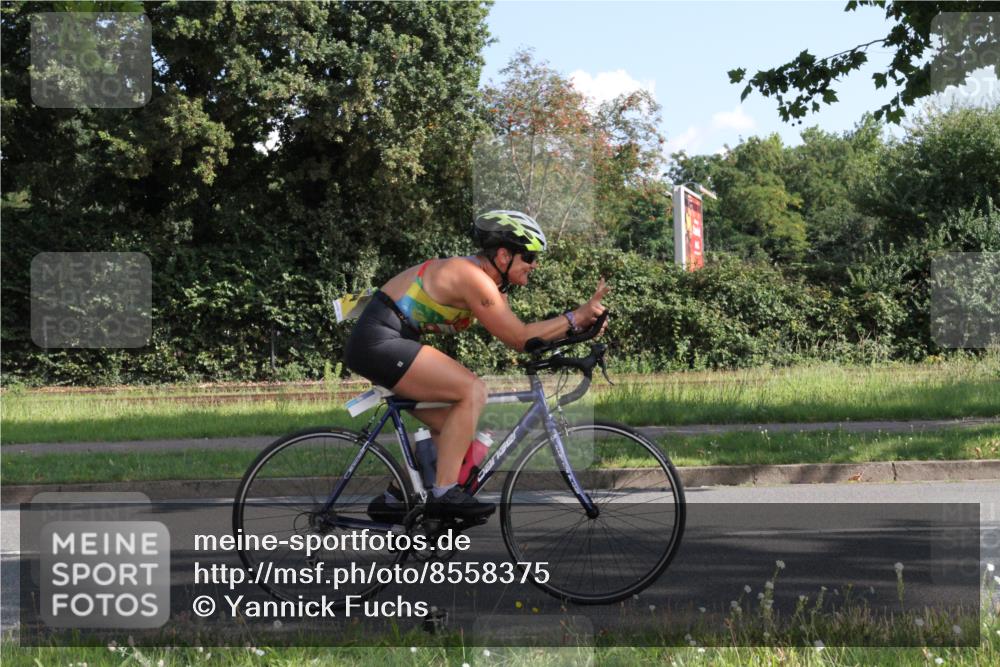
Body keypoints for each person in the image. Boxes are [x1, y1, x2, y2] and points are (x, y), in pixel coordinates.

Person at [343, 210, 609, 520]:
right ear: (503, 254)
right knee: (472, 390)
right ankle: (443, 494)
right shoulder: (473, 278)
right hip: (380, 340)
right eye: (529, 256)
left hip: (387, 340)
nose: (534, 265)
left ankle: (394, 499)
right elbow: (519, 337)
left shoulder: (485, 282)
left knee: (452, 424)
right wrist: (575, 318)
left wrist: (577, 328)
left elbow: (529, 337)